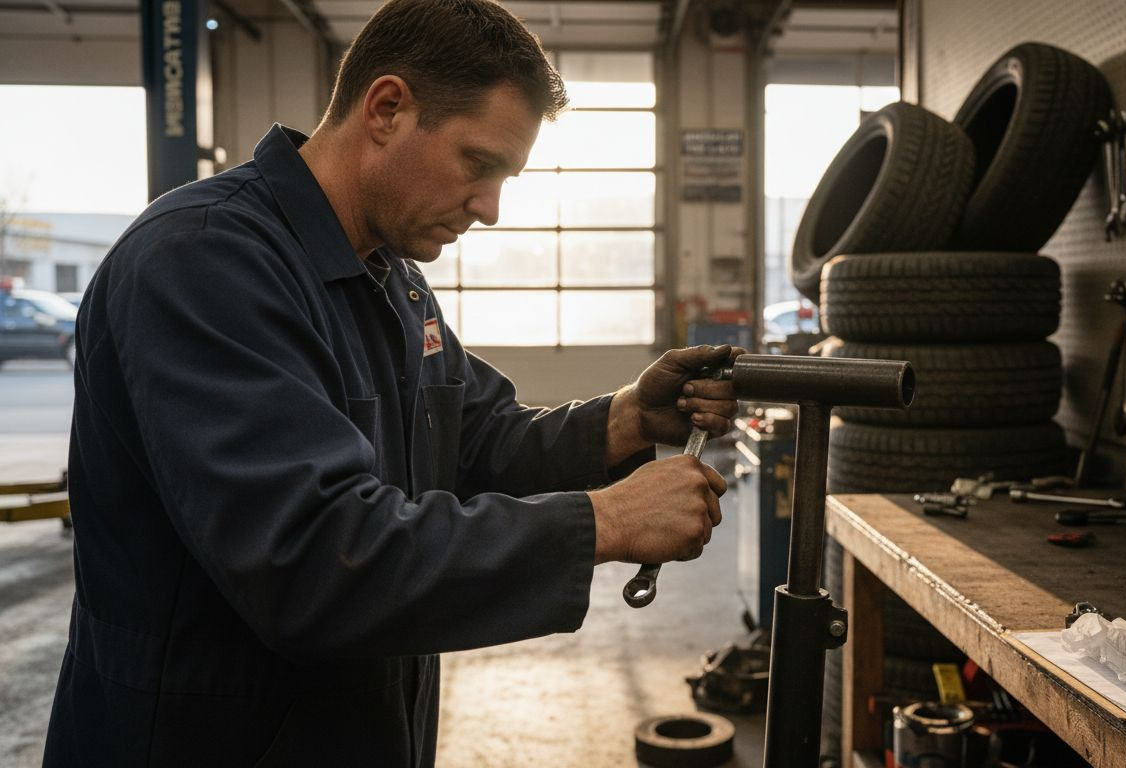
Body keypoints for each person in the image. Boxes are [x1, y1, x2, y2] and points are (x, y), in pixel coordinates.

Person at [43, 1, 743, 764]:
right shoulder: (203, 264)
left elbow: (474, 437)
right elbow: (312, 561)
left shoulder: (389, 276)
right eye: (479, 166)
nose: (491, 210)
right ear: (386, 109)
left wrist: (630, 418)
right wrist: (602, 522)